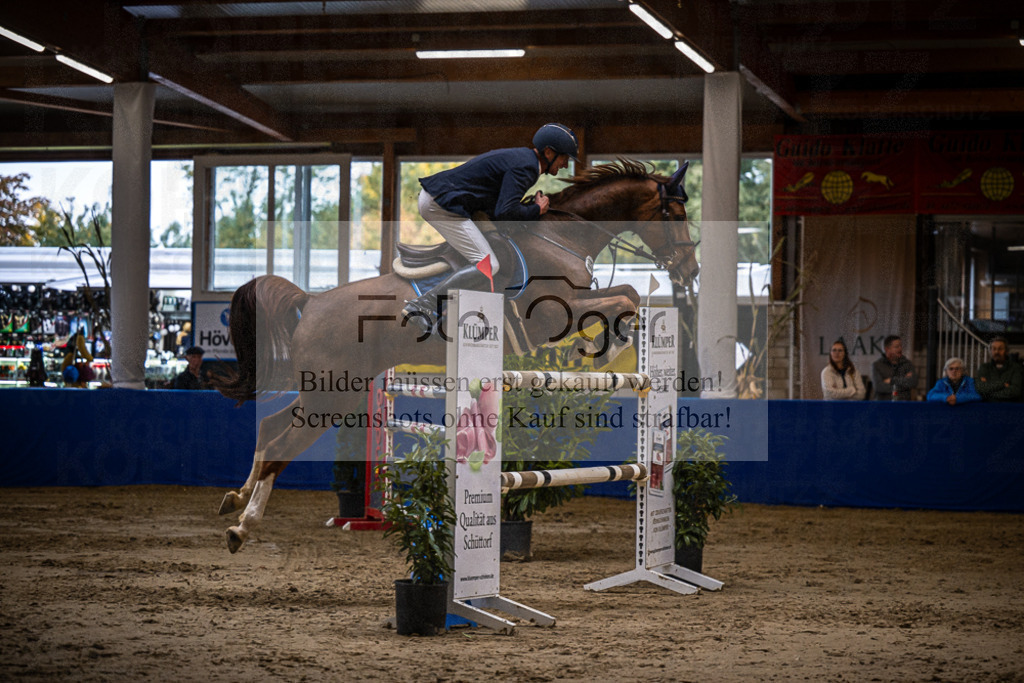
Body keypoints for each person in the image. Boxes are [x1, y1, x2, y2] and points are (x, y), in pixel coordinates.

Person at [401, 123, 580, 334]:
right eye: (564, 158)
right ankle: (422, 305)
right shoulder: (527, 167)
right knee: (489, 265)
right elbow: (505, 211)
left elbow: (499, 209)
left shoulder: (525, 160)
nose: (565, 164)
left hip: (449, 200)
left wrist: (530, 210)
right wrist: (535, 210)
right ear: (549, 152)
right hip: (442, 206)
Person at [975, 336, 1023, 402]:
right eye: (994, 349)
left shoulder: (1016, 368)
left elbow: (1015, 391)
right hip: (988, 407)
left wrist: (989, 393)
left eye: (1000, 349)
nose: (997, 352)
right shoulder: (984, 367)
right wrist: (1003, 384)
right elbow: (981, 388)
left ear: (1006, 351)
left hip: (1010, 407)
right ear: (990, 351)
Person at [871, 334, 917, 400]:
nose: (900, 349)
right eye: (896, 347)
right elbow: (879, 387)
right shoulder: (877, 365)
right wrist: (904, 382)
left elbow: (913, 382)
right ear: (887, 349)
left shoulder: (907, 364)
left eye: (901, 346)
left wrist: (891, 380)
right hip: (884, 405)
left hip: (903, 405)